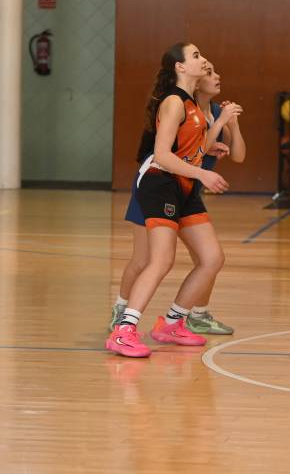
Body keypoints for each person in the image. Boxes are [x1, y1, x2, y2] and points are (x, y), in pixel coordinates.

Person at [105, 43, 230, 358]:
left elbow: (184, 149)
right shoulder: (174, 102)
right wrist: (203, 174)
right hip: (160, 183)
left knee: (212, 258)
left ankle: (173, 322)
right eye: (196, 55)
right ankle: (124, 330)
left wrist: (206, 151)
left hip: (183, 185)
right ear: (180, 67)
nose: (203, 59)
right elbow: (161, 156)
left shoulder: (194, 107)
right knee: (159, 260)